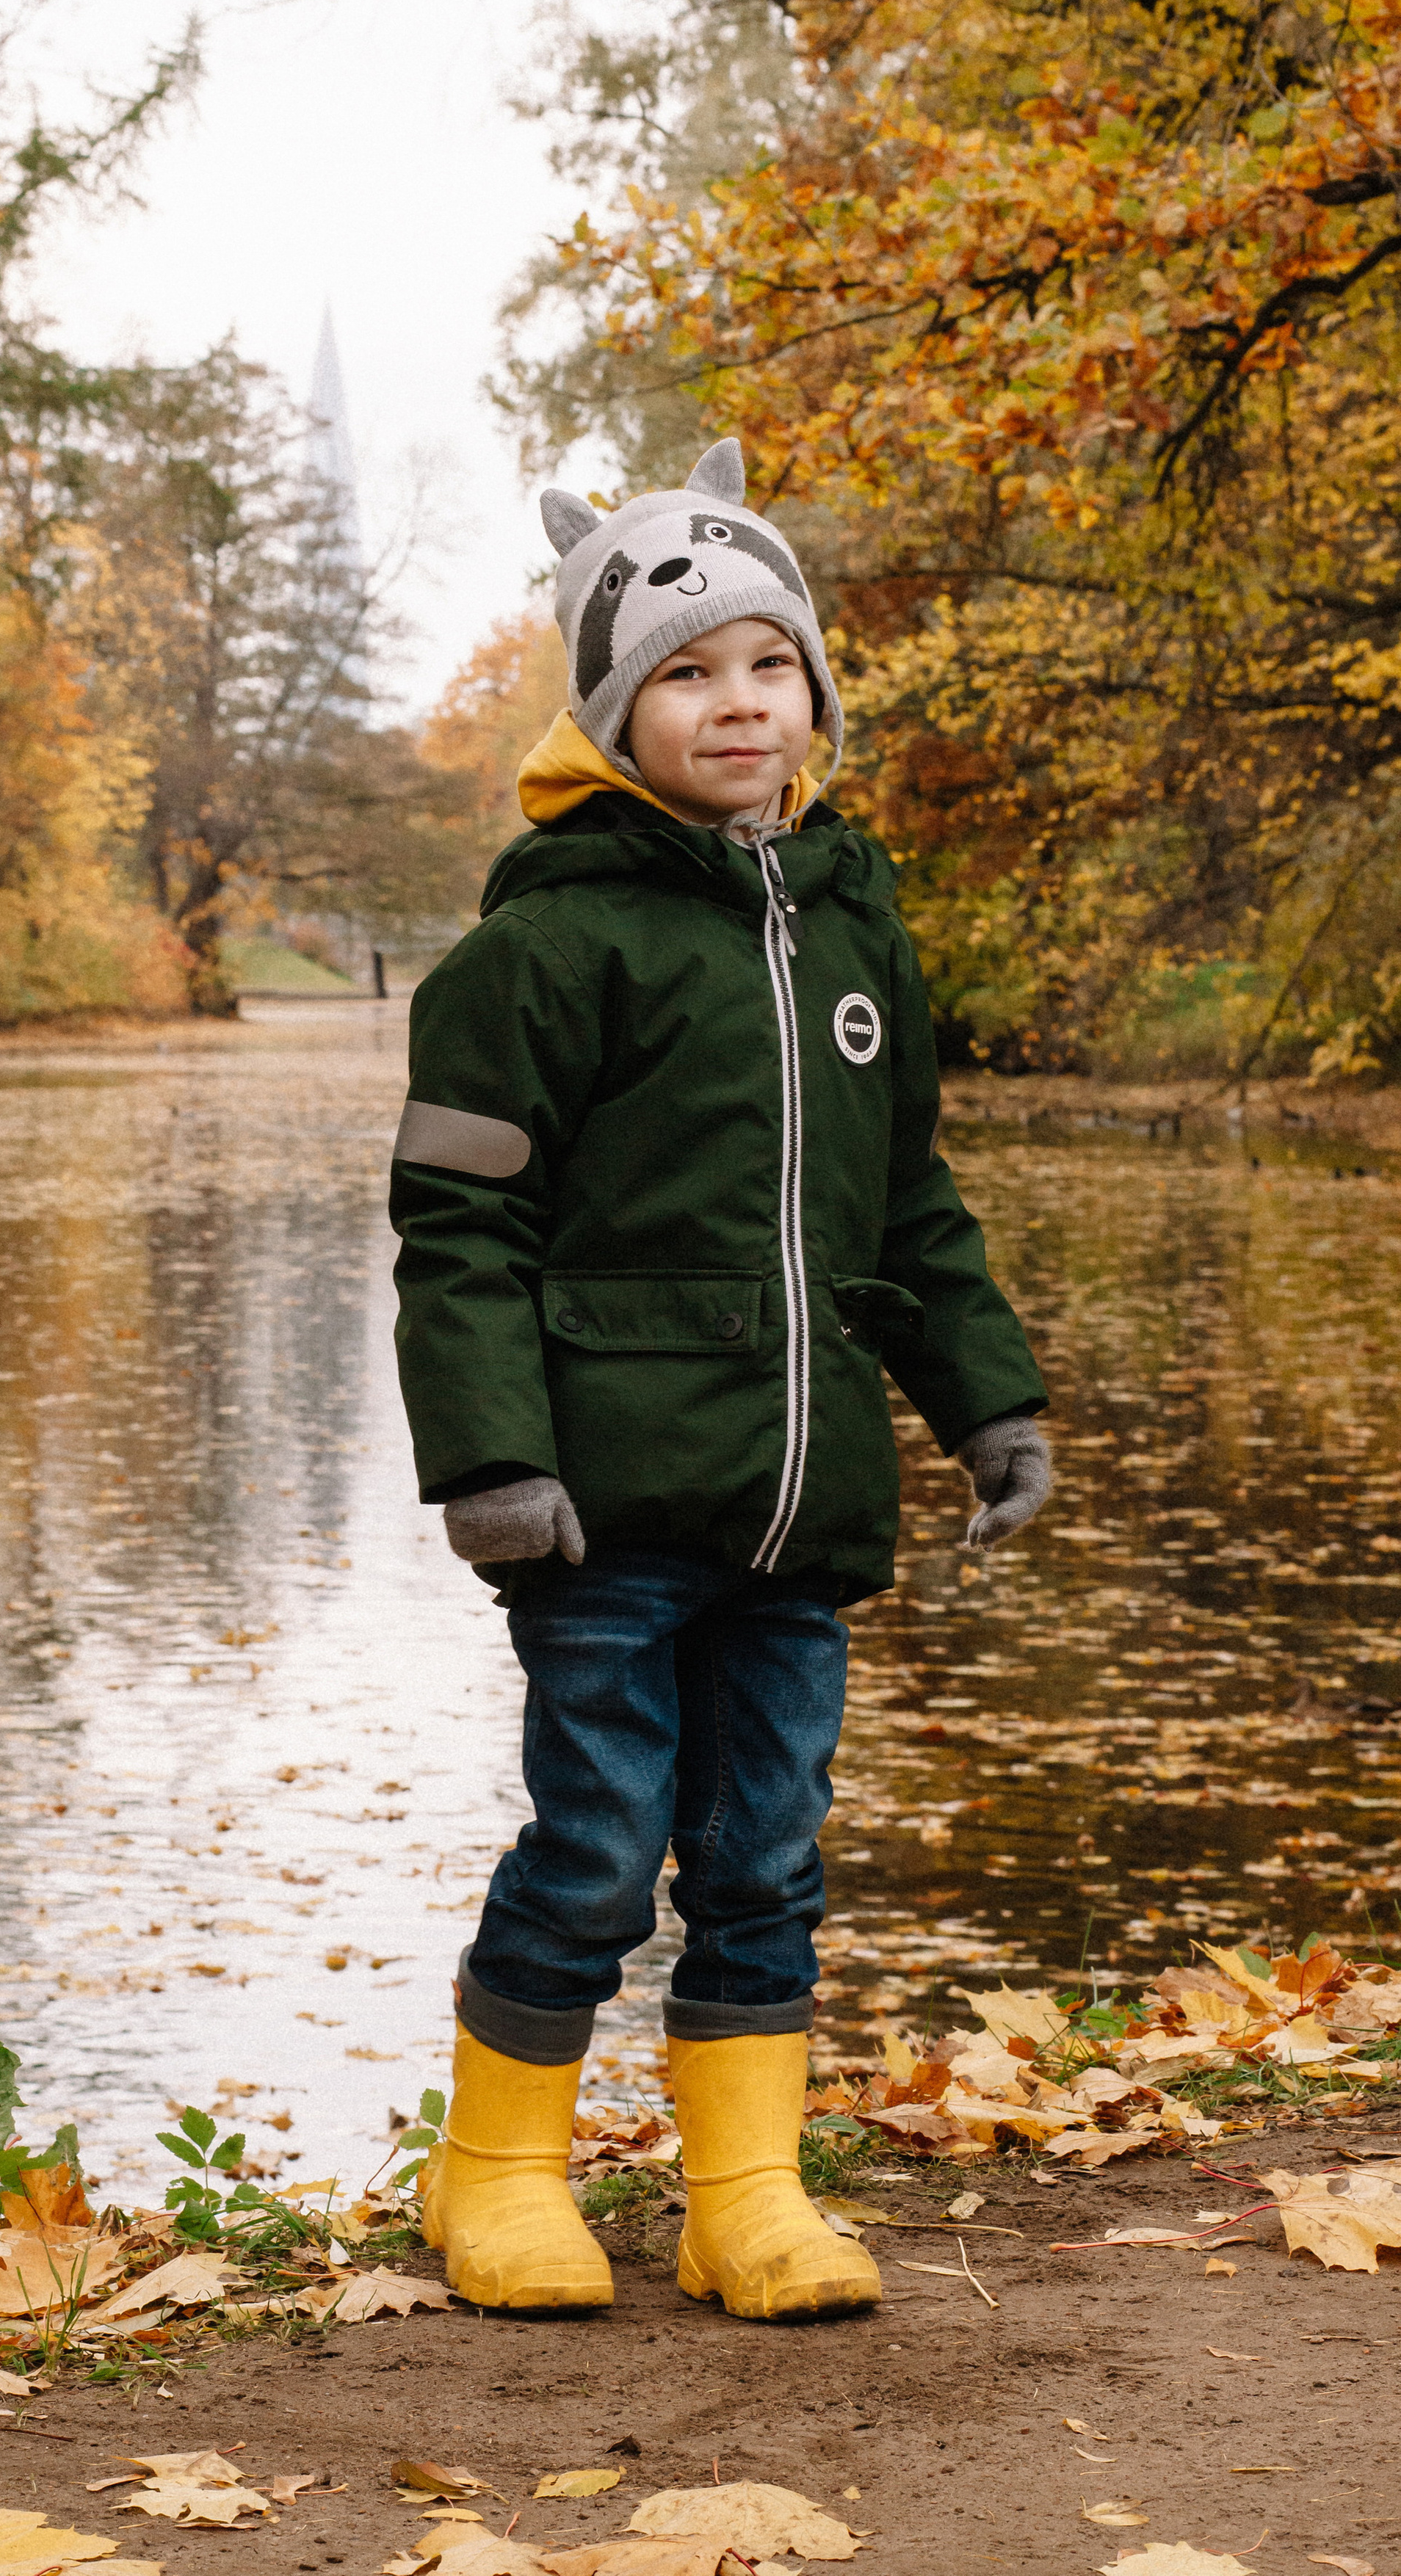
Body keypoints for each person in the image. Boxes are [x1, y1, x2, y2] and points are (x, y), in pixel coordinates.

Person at [388, 438, 1051, 2323]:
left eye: (764, 665)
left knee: (762, 1854)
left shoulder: (854, 923)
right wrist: (492, 1461)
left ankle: (743, 2194)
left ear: (813, 692)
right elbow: (456, 1232)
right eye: (681, 673)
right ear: (613, 711)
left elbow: (902, 1194)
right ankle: (495, 2174)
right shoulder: (542, 948)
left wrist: (981, 1401)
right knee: (597, 1848)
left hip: (801, 1494)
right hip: (601, 1502)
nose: (732, 703)